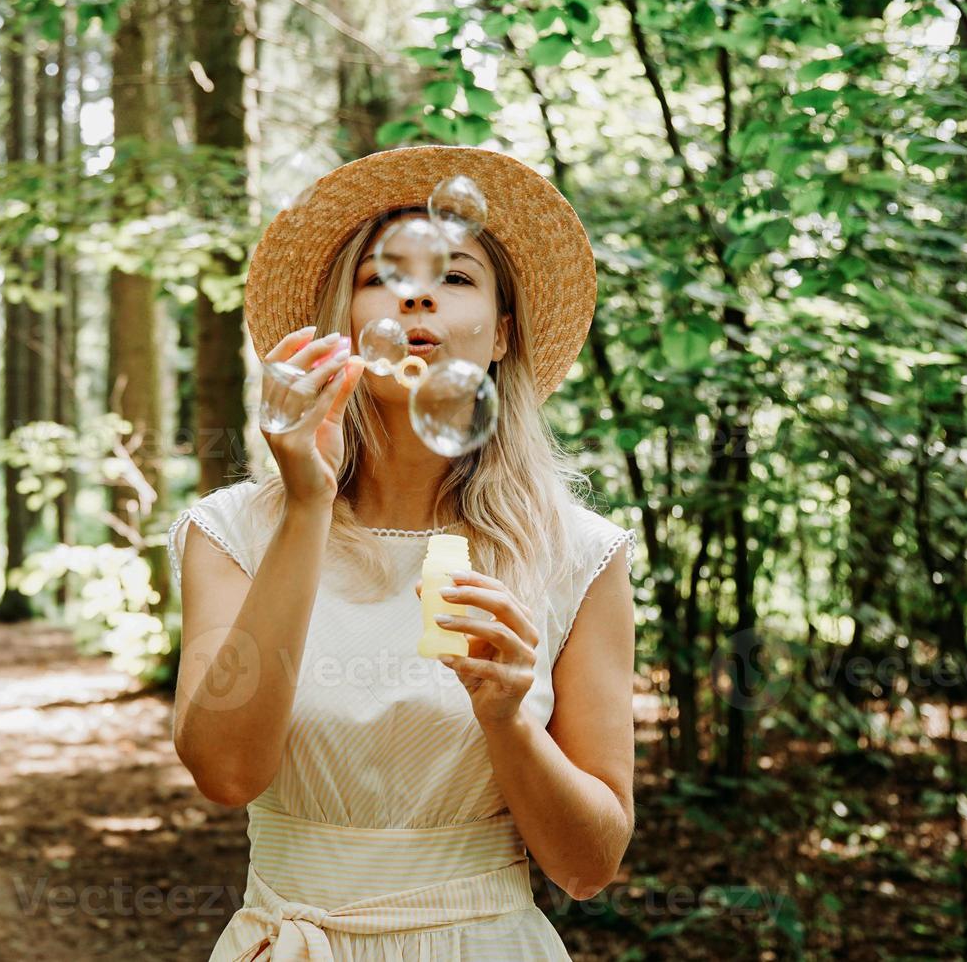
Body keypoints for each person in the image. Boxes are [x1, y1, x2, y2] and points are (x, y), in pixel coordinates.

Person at [168, 145, 638, 961]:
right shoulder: (231, 532)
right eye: (383, 276)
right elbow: (225, 774)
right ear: (340, 328)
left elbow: (589, 866)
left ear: (500, 336)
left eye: (455, 276)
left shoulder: (578, 555)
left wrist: (507, 720)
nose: (417, 293)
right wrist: (307, 503)